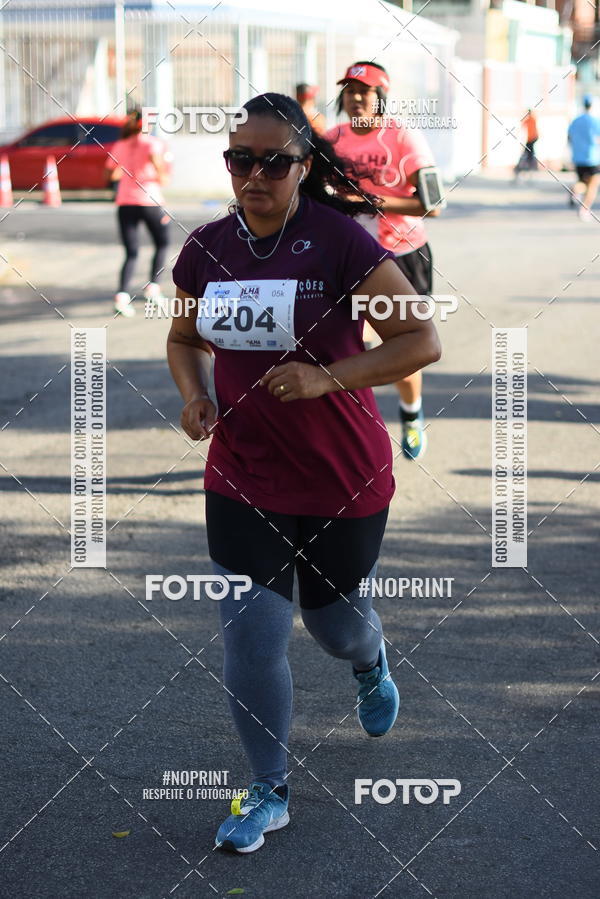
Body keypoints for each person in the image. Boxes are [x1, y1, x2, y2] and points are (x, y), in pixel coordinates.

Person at [168, 92, 441, 854]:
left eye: (274, 162)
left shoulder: (340, 242)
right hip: (243, 473)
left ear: (304, 164)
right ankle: (268, 789)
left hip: (340, 476)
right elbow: (184, 337)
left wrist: (327, 377)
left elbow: (421, 340)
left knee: (334, 627)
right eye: (240, 160)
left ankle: (371, 659)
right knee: (251, 639)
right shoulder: (207, 247)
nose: (254, 175)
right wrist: (194, 394)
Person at [325, 62, 441, 460]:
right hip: (348, 259)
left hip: (403, 255)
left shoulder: (403, 136)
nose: (356, 98)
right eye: (349, 91)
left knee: (405, 348)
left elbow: (433, 204)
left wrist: (369, 201)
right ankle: (354, 435)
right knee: (351, 348)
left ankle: (411, 413)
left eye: (365, 92)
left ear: (381, 97)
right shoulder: (331, 140)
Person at [105, 108, 171, 316]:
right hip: (149, 200)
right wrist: (162, 175)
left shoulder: (121, 144)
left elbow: (110, 172)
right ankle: (153, 287)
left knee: (131, 252)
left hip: (125, 201)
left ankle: (122, 296)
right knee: (162, 243)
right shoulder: (152, 143)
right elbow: (161, 173)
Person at [567, 94, 600, 222]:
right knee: (593, 185)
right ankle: (584, 209)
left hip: (578, 158)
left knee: (582, 182)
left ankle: (574, 190)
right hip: (592, 158)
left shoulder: (576, 121)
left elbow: (569, 137)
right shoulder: (595, 121)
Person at [514, 109, 539, 179]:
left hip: (532, 138)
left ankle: (528, 166)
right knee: (529, 152)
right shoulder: (532, 119)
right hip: (532, 138)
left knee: (528, 152)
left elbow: (522, 123)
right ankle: (529, 165)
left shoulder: (531, 119)